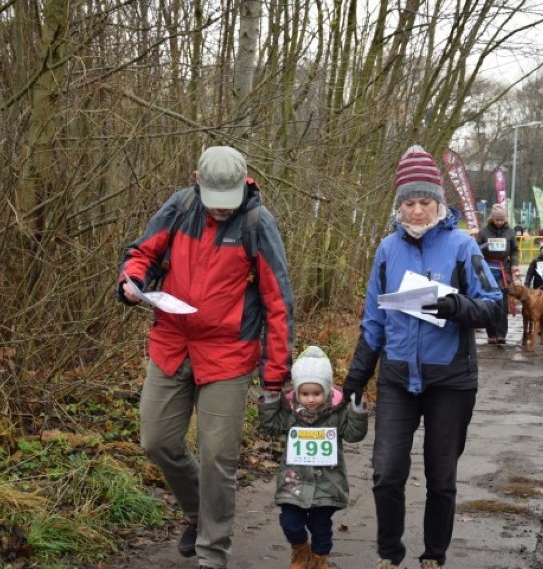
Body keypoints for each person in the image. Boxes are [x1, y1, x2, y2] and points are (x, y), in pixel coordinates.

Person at [117, 146, 294, 569]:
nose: (218, 210)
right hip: (172, 344)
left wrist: (274, 376)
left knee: (218, 456)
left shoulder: (256, 222)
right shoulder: (179, 207)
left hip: (229, 355)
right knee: (156, 440)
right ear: (197, 178)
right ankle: (200, 515)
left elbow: (279, 301)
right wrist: (132, 281)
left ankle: (212, 553)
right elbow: (142, 253)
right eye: (212, 200)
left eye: (225, 202)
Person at [341, 145, 502, 569]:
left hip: (450, 380)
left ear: (439, 202)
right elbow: (373, 320)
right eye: (409, 203)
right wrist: (356, 379)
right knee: (386, 472)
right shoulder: (386, 250)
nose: (416, 211)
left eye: (424, 202)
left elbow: (494, 306)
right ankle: (390, 555)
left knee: (441, 477)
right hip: (397, 378)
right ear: (399, 205)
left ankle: (433, 555)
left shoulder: (463, 246)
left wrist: (455, 307)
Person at [259, 346, 368, 569]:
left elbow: (354, 434)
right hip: (294, 482)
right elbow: (270, 426)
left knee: (321, 527)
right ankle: (300, 551)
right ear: (297, 392)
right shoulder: (289, 413)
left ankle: (320, 559)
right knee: (290, 523)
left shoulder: (337, 414)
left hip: (327, 483)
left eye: (316, 394)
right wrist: (270, 401)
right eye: (305, 393)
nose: (310, 399)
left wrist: (356, 411)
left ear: (327, 391)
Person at [476, 202, 519, 344]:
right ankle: (491, 334)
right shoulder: (484, 232)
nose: (499, 222)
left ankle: (501, 333)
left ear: (505, 219)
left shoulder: (510, 232)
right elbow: (476, 249)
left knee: (502, 300)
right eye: (496, 220)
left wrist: (514, 265)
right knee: (489, 300)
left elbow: (514, 250)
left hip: (503, 269)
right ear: (492, 219)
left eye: (501, 219)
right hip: (488, 268)